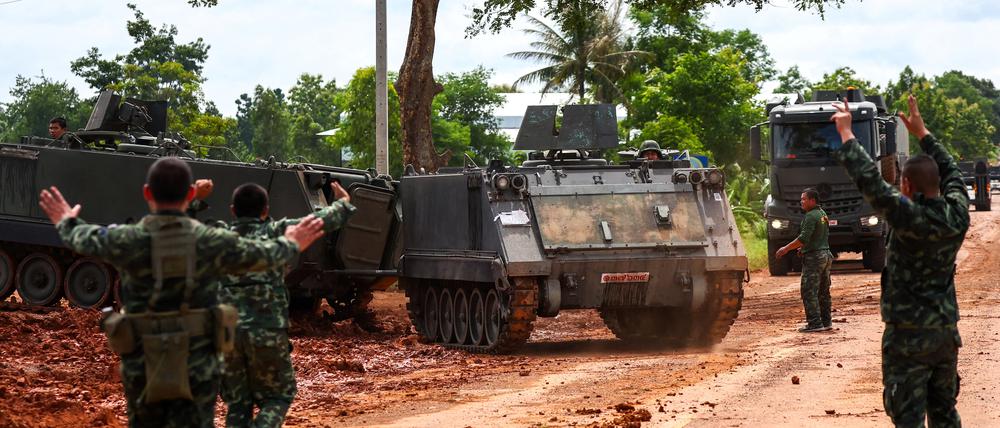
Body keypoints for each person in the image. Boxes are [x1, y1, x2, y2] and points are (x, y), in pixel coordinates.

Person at [37, 157, 328, 428]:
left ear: (147, 193)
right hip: (197, 360)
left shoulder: (128, 239)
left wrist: (66, 220)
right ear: (191, 194)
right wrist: (291, 242)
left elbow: (82, 238)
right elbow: (261, 255)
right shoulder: (210, 240)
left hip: (144, 360)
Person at [831, 95, 968, 427]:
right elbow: (953, 176)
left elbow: (873, 184)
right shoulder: (957, 214)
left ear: (906, 184)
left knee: (907, 419)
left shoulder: (909, 217)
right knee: (945, 413)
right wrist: (924, 134)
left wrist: (847, 134)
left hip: (908, 338)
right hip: (945, 334)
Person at [212, 181, 355, 428]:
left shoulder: (220, 239)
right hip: (266, 331)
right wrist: (342, 204)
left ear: (233, 210)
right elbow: (319, 222)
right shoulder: (277, 232)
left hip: (227, 336)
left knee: (238, 402)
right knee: (278, 396)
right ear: (266, 210)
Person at [775, 188, 833, 333]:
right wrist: (804, 248)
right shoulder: (822, 214)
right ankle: (826, 322)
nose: (801, 202)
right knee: (823, 291)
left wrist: (785, 249)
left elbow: (803, 238)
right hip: (825, 254)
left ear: (812, 200)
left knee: (809, 290)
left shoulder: (811, 216)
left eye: (804, 199)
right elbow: (817, 236)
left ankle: (815, 323)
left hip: (815, 258)